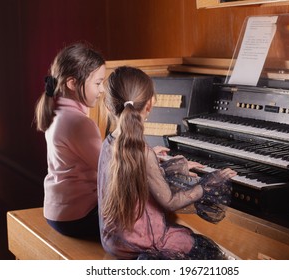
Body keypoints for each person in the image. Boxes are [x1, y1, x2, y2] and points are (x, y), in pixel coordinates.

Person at [97, 66, 237, 259]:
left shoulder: (109, 142)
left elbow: (134, 174)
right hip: (140, 243)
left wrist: (172, 167)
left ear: (110, 106)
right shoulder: (143, 153)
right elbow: (170, 202)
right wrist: (207, 185)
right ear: (150, 104)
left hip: (113, 240)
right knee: (204, 250)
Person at [34, 42, 106, 238]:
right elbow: (110, 170)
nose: (102, 90)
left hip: (57, 213)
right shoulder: (80, 123)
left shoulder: (57, 112)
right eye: (98, 83)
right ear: (73, 83)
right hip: (80, 216)